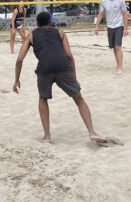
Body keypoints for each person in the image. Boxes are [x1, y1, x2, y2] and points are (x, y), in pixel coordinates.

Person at [13, 11, 106, 144]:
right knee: (79, 98)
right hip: (62, 66)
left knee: (43, 98)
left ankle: (47, 135)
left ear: (37, 23)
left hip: (44, 69)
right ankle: (92, 132)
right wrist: (74, 77)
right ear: (50, 22)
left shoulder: (31, 35)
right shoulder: (60, 32)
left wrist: (16, 80)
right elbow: (69, 56)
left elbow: (19, 60)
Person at [94, 0, 130, 73]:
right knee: (113, 47)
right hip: (109, 27)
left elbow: (125, 14)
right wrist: (97, 26)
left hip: (119, 26)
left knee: (118, 46)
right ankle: (117, 64)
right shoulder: (104, 2)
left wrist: (126, 28)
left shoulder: (120, 1)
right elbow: (101, 14)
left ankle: (120, 67)